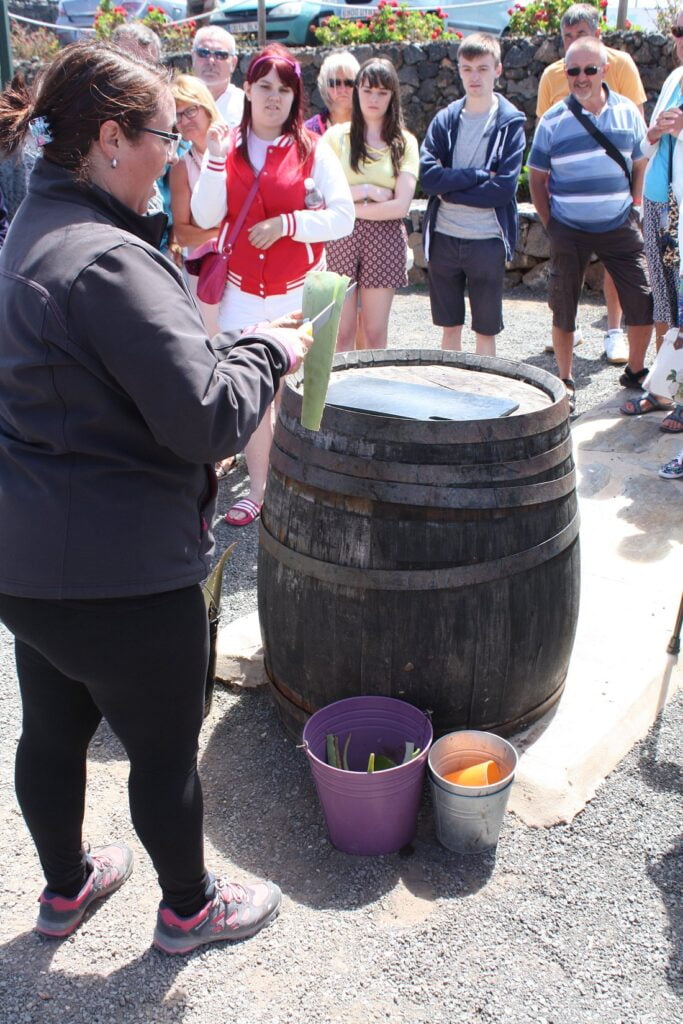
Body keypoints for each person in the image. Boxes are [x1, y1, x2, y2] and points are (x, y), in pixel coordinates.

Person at [0, 41, 311, 955]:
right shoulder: (107, 260)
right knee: (165, 753)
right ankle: (189, 908)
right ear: (107, 139)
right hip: (125, 569)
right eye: (165, 138)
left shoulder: (28, 229)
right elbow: (208, 418)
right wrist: (270, 351)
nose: (176, 155)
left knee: (52, 730)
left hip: (27, 560)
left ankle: (66, 887)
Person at [191, 44, 354, 526]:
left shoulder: (311, 148)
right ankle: (260, 488)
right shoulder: (229, 146)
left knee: (299, 390)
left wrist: (289, 225)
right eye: (264, 86)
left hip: (298, 290)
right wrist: (216, 159)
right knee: (254, 392)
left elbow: (342, 217)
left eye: (284, 90)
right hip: (242, 293)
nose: (273, 98)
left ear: (295, 96)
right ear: (247, 89)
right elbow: (204, 216)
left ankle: (302, 480)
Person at [528, 37, 654, 415]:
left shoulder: (628, 113)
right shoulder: (552, 119)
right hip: (568, 225)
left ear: (605, 70)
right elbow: (537, 178)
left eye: (589, 69)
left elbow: (639, 164)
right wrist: (552, 224)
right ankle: (565, 380)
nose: (581, 78)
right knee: (563, 305)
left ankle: (635, 371)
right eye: (573, 71)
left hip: (618, 223)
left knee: (643, 299)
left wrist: (633, 207)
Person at [419, 33, 525, 356]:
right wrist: (476, 176)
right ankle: (449, 398)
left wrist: (451, 189)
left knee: (485, 331)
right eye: (467, 69)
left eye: (482, 68)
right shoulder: (445, 120)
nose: (474, 76)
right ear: (459, 71)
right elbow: (428, 177)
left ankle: (484, 402)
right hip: (444, 237)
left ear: (498, 70)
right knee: (449, 328)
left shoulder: (510, 124)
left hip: (488, 239)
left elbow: (503, 189)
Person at [324, 58, 418, 352]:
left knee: (375, 335)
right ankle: (338, 396)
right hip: (340, 236)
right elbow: (325, 194)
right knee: (341, 333)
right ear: (357, 93)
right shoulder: (337, 137)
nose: (374, 99)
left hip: (384, 238)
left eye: (382, 92)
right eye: (367, 91)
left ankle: (371, 396)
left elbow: (400, 206)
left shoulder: (404, 142)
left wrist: (350, 206)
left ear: (393, 96)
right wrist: (369, 190)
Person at [638, 8, 683, 434]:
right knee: (665, 300)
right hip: (659, 200)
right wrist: (654, 134)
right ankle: (664, 387)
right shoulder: (673, 80)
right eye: (679, 32)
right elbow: (647, 141)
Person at [169, 73, 223, 338]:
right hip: (204, 271)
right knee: (213, 342)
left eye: (190, 110)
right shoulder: (181, 167)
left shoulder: (238, 145)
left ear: (205, 105)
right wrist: (224, 234)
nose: (184, 121)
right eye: (178, 116)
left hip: (247, 265)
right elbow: (183, 233)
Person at [191, 26, 244, 128]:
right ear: (193, 57)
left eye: (221, 55)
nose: (211, 61)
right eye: (203, 53)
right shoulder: (177, 104)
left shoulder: (246, 107)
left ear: (233, 63)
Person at [304, 51, 359, 135]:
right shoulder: (308, 131)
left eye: (349, 83)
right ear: (325, 86)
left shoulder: (371, 127)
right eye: (335, 83)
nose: (342, 89)